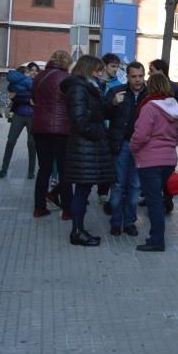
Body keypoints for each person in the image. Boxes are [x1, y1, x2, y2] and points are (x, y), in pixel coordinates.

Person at [61, 55, 115, 247]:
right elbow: (79, 119)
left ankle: (79, 229)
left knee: (84, 190)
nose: (100, 73)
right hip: (84, 147)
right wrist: (97, 132)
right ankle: (77, 231)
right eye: (97, 70)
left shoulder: (88, 86)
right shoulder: (79, 87)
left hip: (88, 147)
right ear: (88, 69)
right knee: (82, 191)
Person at [130, 73, 178, 252]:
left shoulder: (149, 107)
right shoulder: (174, 108)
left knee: (153, 201)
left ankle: (156, 240)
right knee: (157, 198)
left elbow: (141, 135)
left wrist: (133, 148)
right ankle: (156, 237)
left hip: (149, 161)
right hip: (169, 161)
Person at [106, 61, 146, 237]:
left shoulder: (150, 95)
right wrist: (113, 103)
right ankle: (115, 222)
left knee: (135, 186)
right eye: (134, 76)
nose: (138, 80)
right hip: (121, 144)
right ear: (127, 77)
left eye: (140, 76)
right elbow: (102, 112)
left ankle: (129, 222)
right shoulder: (117, 92)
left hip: (141, 146)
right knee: (118, 184)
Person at [32, 51, 73, 219]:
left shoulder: (38, 77)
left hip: (40, 128)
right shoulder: (67, 79)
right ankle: (67, 211)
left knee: (44, 169)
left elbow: (34, 98)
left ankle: (39, 208)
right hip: (62, 130)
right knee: (64, 171)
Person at [149, 59, 178, 213]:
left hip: (163, 141)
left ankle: (166, 200)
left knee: (162, 172)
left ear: (161, 71)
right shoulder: (151, 88)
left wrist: (172, 129)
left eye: (151, 70)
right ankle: (158, 199)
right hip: (163, 142)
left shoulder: (175, 89)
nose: (149, 74)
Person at [0, 64, 39, 179]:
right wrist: (28, 99)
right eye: (31, 70)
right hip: (18, 115)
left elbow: (37, 99)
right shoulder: (19, 82)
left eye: (36, 71)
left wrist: (21, 96)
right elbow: (12, 96)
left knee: (32, 144)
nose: (34, 72)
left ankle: (31, 172)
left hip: (33, 116)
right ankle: (3, 170)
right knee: (10, 141)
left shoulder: (38, 83)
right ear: (27, 72)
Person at [97, 53, 124, 208]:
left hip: (111, 130)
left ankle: (103, 192)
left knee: (109, 163)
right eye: (113, 66)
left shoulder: (118, 85)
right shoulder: (96, 83)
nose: (115, 69)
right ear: (104, 66)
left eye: (117, 67)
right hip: (96, 129)